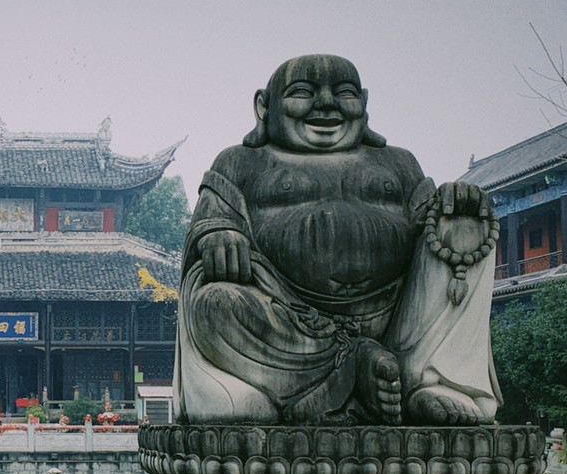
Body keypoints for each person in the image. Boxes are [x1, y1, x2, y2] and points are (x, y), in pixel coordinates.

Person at [175, 54, 500, 426]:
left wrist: (455, 204)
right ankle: (336, 375)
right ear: (264, 106)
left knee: (462, 228)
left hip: (396, 319)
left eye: (343, 93)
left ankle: (433, 379)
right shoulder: (240, 162)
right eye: (303, 92)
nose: (326, 104)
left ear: (364, 102)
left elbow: (430, 227)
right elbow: (209, 220)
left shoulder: (399, 163)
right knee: (214, 301)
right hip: (288, 321)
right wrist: (219, 233)